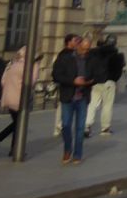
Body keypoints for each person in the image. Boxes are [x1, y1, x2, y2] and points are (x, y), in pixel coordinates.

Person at [52, 33, 93, 165]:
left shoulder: (90, 59)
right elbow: (56, 76)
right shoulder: (65, 58)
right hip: (68, 96)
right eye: (84, 48)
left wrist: (88, 82)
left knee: (80, 128)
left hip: (82, 97)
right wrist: (73, 81)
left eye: (88, 49)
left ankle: (77, 154)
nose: (86, 51)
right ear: (78, 45)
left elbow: (98, 74)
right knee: (66, 125)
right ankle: (67, 149)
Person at [0, 47, 31, 157]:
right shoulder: (25, 67)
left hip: (8, 96)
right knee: (19, 123)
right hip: (19, 98)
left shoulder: (10, 65)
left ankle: (13, 149)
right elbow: (32, 80)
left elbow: (3, 81)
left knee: (17, 124)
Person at [86, 36, 123, 137]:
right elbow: (118, 71)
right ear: (115, 43)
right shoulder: (116, 55)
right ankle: (105, 128)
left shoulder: (94, 53)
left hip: (95, 81)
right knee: (107, 105)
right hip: (109, 81)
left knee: (92, 104)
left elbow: (89, 65)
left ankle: (87, 125)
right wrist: (113, 79)